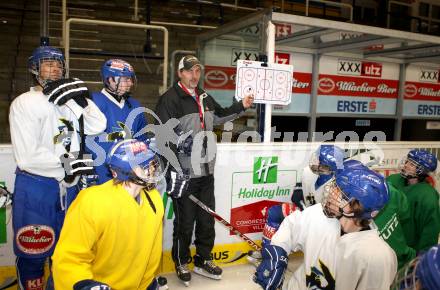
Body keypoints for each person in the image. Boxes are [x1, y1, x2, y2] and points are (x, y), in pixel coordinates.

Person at [9, 45, 106, 289]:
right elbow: (27, 157)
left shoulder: (66, 100)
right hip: (36, 187)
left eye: (58, 64)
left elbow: (98, 125)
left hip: (68, 186)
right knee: (34, 251)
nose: (54, 68)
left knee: (65, 252)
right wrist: (67, 163)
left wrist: (81, 99)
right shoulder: (25, 102)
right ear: (35, 68)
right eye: (48, 63)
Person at [155, 55, 254, 285]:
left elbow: (219, 117)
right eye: (189, 71)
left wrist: (242, 106)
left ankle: (203, 259)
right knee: (185, 223)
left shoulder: (204, 96)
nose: (194, 76)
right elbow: (162, 137)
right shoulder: (170, 99)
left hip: (207, 172)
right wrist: (172, 170)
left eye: (197, 71)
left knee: (206, 220)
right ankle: (181, 262)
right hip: (185, 174)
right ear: (180, 73)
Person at [254, 167, 397, 290]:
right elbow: (291, 227)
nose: (331, 192)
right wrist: (277, 253)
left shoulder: (377, 255)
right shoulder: (319, 213)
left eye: (340, 192)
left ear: (356, 207)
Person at [52, 139, 164, 290]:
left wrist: (148, 283)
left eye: (149, 161)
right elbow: (69, 258)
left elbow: (152, 254)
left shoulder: (154, 200)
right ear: (124, 170)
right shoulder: (91, 202)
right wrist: (85, 285)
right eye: (142, 163)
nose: (150, 167)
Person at [247, 145, 344, 266]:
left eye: (321, 163)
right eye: (317, 159)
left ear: (330, 168)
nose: (315, 163)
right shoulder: (308, 172)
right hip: (307, 212)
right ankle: (268, 254)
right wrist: (301, 204)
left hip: (325, 223)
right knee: (274, 213)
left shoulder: (339, 185)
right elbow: (297, 195)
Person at [344, 159, 416, 269]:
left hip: (393, 264)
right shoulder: (389, 190)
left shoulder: (352, 218)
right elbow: (404, 214)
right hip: (398, 259)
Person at [86, 59, 148, 185]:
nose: (130, 83)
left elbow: (142, 140)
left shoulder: (135, 106)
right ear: (110, 80)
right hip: (99, 173)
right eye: (125, 79)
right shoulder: (92, 102)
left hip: (129, 175)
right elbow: (83, 139)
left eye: (130, 79)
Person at [387, 149, 440, 252]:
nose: (406, 165)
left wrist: (422, 256)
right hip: (386, 241)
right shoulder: (393, 179)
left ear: (422, 170)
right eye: (407, 161)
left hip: (408, 250)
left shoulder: (428, 196)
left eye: (412, 164)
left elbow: (430, 231)